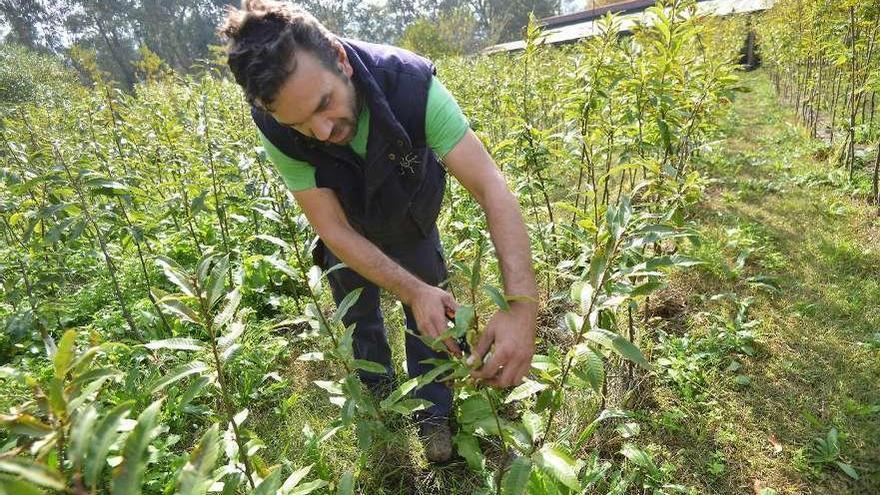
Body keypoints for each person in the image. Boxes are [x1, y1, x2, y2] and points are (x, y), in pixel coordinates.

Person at [219, 0, 537, 463]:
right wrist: (410, 290)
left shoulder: (411, 86)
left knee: (433, 323)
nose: (322, 131)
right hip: (348, 230)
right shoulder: (275, 126)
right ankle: (380, 403)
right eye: (300, 123)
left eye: (325, 104)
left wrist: (521, 307)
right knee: (359, 322)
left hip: (411, 216)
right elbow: (333, 228)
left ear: (340, 59)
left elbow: (491, 187)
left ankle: (432, 414)